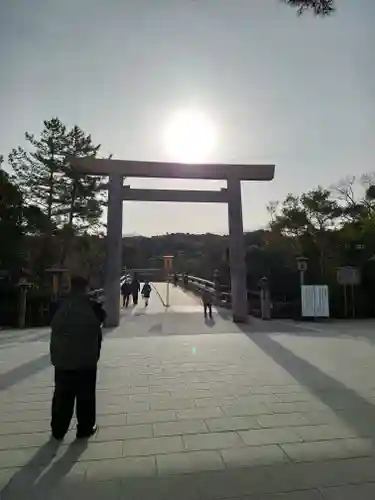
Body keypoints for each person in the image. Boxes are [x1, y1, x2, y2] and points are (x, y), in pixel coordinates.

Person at [50, 276, 105, 440]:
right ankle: (85, 428)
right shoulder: (93, 306)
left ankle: (58, 430)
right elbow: (103, 318)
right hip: (86, 360)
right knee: (85, 396)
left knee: (62, 396)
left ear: (70, 287)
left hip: (62, 359)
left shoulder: (59, 304)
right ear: (86, 288)